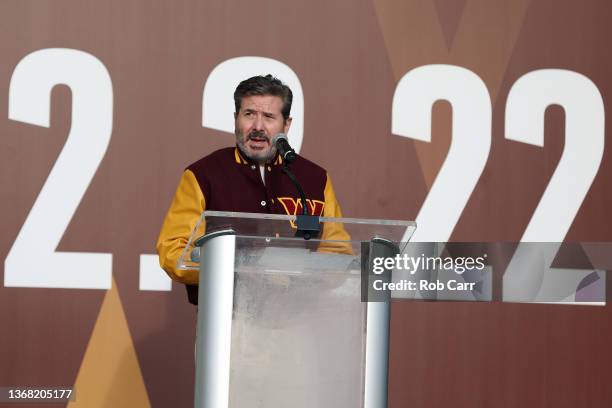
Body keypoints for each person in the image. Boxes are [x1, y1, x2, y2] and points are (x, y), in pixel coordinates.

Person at [156, 75, 348, 300]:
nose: (258, 127)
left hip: (300, 320)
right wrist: (238, 268)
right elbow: (173, 252)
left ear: (286, 124)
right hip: (226, 321)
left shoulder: (314, 179)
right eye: (249, 114)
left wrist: (298, 277)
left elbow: (338, 252)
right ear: (236, 118)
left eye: (268, 117)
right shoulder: (204, 174)